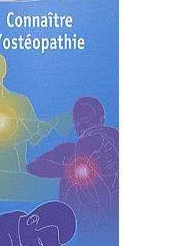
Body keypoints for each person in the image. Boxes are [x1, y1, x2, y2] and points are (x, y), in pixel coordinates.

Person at [0, 53, 71, 204]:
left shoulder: (21, 102)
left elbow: (34, 139)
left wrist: (49, 125)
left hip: (18, 178)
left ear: (3, 72)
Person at [27, 97, 119, 226]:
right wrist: (72, 170)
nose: (105, 148)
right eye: (83, 123)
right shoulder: (71, 152)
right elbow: (34, 166)